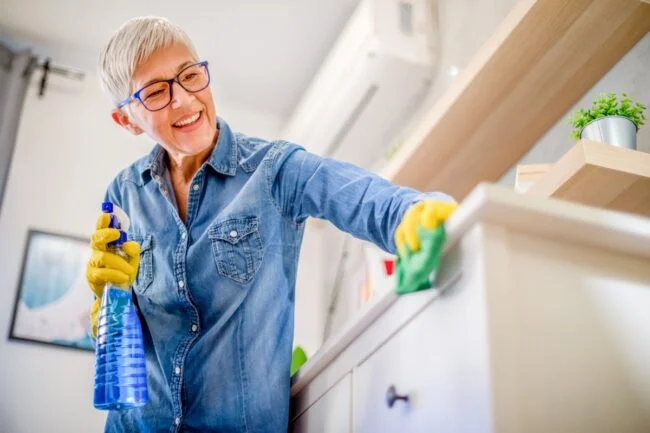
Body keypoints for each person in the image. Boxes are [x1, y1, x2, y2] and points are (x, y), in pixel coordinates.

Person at [86, 16, 456, 433]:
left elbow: (378, 203)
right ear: (127, 119)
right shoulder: (125, 194)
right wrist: (106, 303)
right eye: (156, 91)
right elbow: (121, 352)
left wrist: (420, 212)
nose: (184, 99)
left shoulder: (274, 170)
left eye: (189, 75)